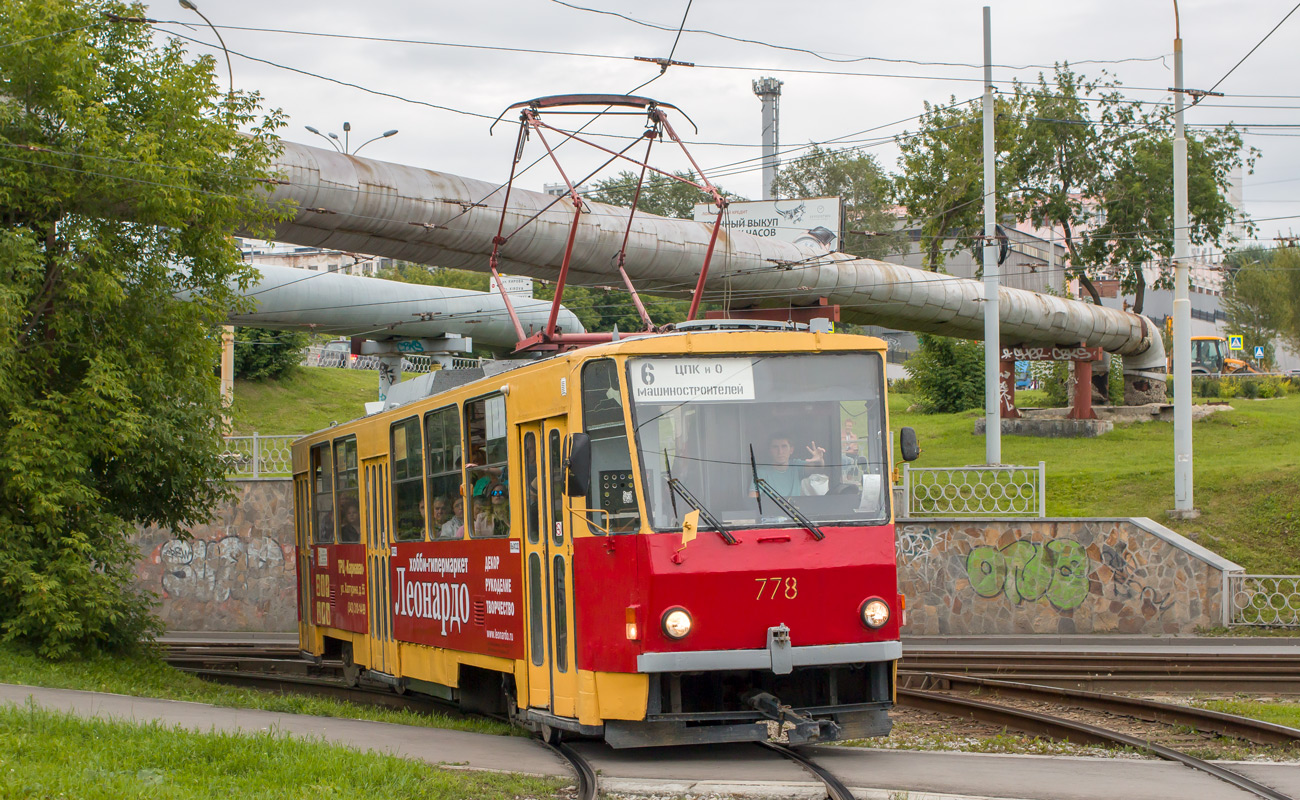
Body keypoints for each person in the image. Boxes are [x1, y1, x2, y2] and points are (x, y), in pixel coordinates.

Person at [753, 432, 825, 498]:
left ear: (791, 450)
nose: (780, 452)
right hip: (771, 508)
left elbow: (816, 468)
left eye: (784, 446)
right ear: (770, 451)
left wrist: (819, 460)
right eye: (775, 447)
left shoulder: (796, 466)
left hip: (795, 508)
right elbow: (753, 501)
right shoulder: (761, 472)